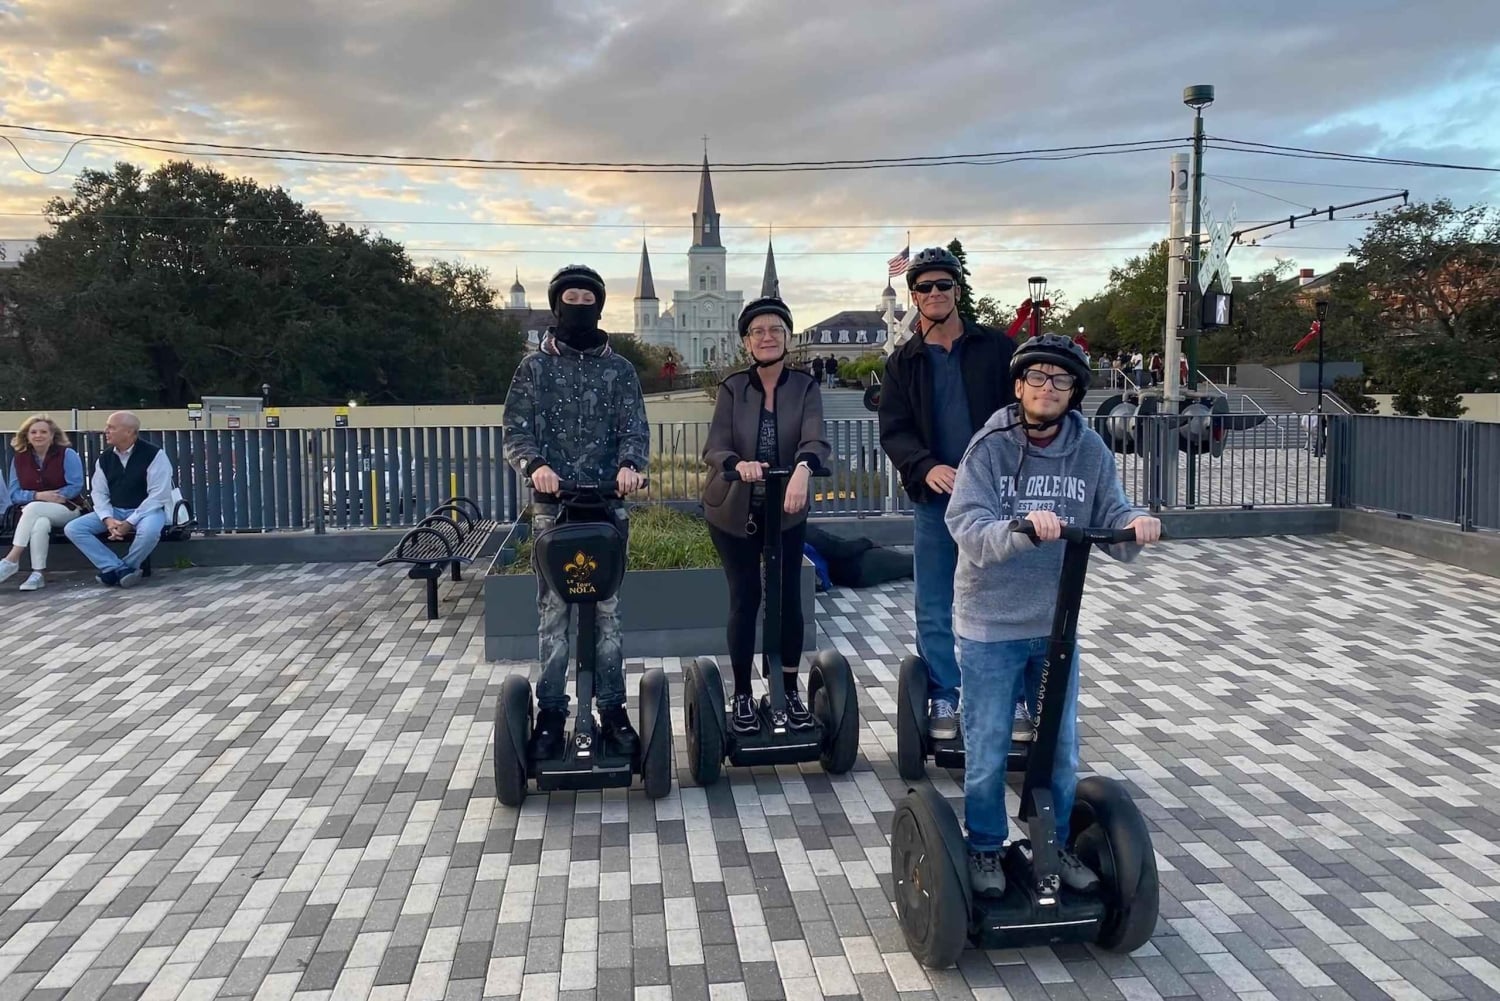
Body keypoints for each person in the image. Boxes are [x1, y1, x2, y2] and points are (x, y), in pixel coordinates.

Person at [945, 333, 1161, 896]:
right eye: (1037, 377)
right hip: (990, 624)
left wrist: (1135, 523)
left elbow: (1112, 509)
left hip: (1054, 626)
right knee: (989, 745)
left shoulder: (1090, 450)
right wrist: (1020, 530)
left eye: (1060, 379)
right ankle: (985, 847)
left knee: (1060, 748)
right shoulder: (988, 447)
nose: (1048, 387)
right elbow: (966, 525)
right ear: (1019, 387)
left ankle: (1054, 843)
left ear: (1075, 392)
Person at [877, 247, 1026, 744]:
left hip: (997, 499)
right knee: (936, 603)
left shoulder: (997, 349)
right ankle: (944, 692)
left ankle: (1015, 696)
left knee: (1007, 598)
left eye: (944, 285)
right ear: (914, 296)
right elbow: (894, 430)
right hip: (935, 499)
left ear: (957, 291)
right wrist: (926, 466)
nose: (935, 293)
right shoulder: (904, 363)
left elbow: (1023, 411)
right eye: (925, 287)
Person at [503, 264, 650, 762]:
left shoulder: (620, 371)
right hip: (554, 508)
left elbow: (635, 429)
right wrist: (536, 466)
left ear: (600, 307)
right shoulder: (533, 369)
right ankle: (550, 713)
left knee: (608, 612)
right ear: (556, 306)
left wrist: (631, 466)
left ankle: (612, 709)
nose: (580, 307)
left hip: (608, 505)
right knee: (554, 612)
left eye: (589, 300)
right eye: (571, 300)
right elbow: (515, 432)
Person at [701, 296, 832, 735]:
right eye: (757, 331)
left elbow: (815, 439)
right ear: (747, 342)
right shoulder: (732, 387)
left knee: (788, 597)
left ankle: (788, 688)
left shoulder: (805, 387)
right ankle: (741, 692)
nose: (767, 337)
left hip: (786, 510)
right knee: (746, 597)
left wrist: (802, 470)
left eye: (776, 329)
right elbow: (716, 446)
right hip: (733, 510)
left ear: (788, 337)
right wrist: (738, 464)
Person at [64, 411, 174, 588]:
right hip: (115, 511)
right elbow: (99, 493)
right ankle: (117, 568)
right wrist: (107, 519)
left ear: (129, 432)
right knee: (74, 528)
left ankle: (127, 566)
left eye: (112, 427)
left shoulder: (155, 455)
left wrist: (130, 522)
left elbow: (158, 495)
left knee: (150, 532)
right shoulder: (105, 458)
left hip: (148, 511)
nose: (106, 431)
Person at [1, 415, 87, 591]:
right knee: (40, 522)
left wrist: (53, 496)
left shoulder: (67, 454)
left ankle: (12, 559)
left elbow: (75, 485)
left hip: (67, 508)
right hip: (33, 512)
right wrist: (38, 496)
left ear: (52, 435)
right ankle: (38, 574)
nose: (38, 435)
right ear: (27, 436)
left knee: (33, 508)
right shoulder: (19, 459)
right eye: (33, 432)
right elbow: (14, 493)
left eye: (43, 432)